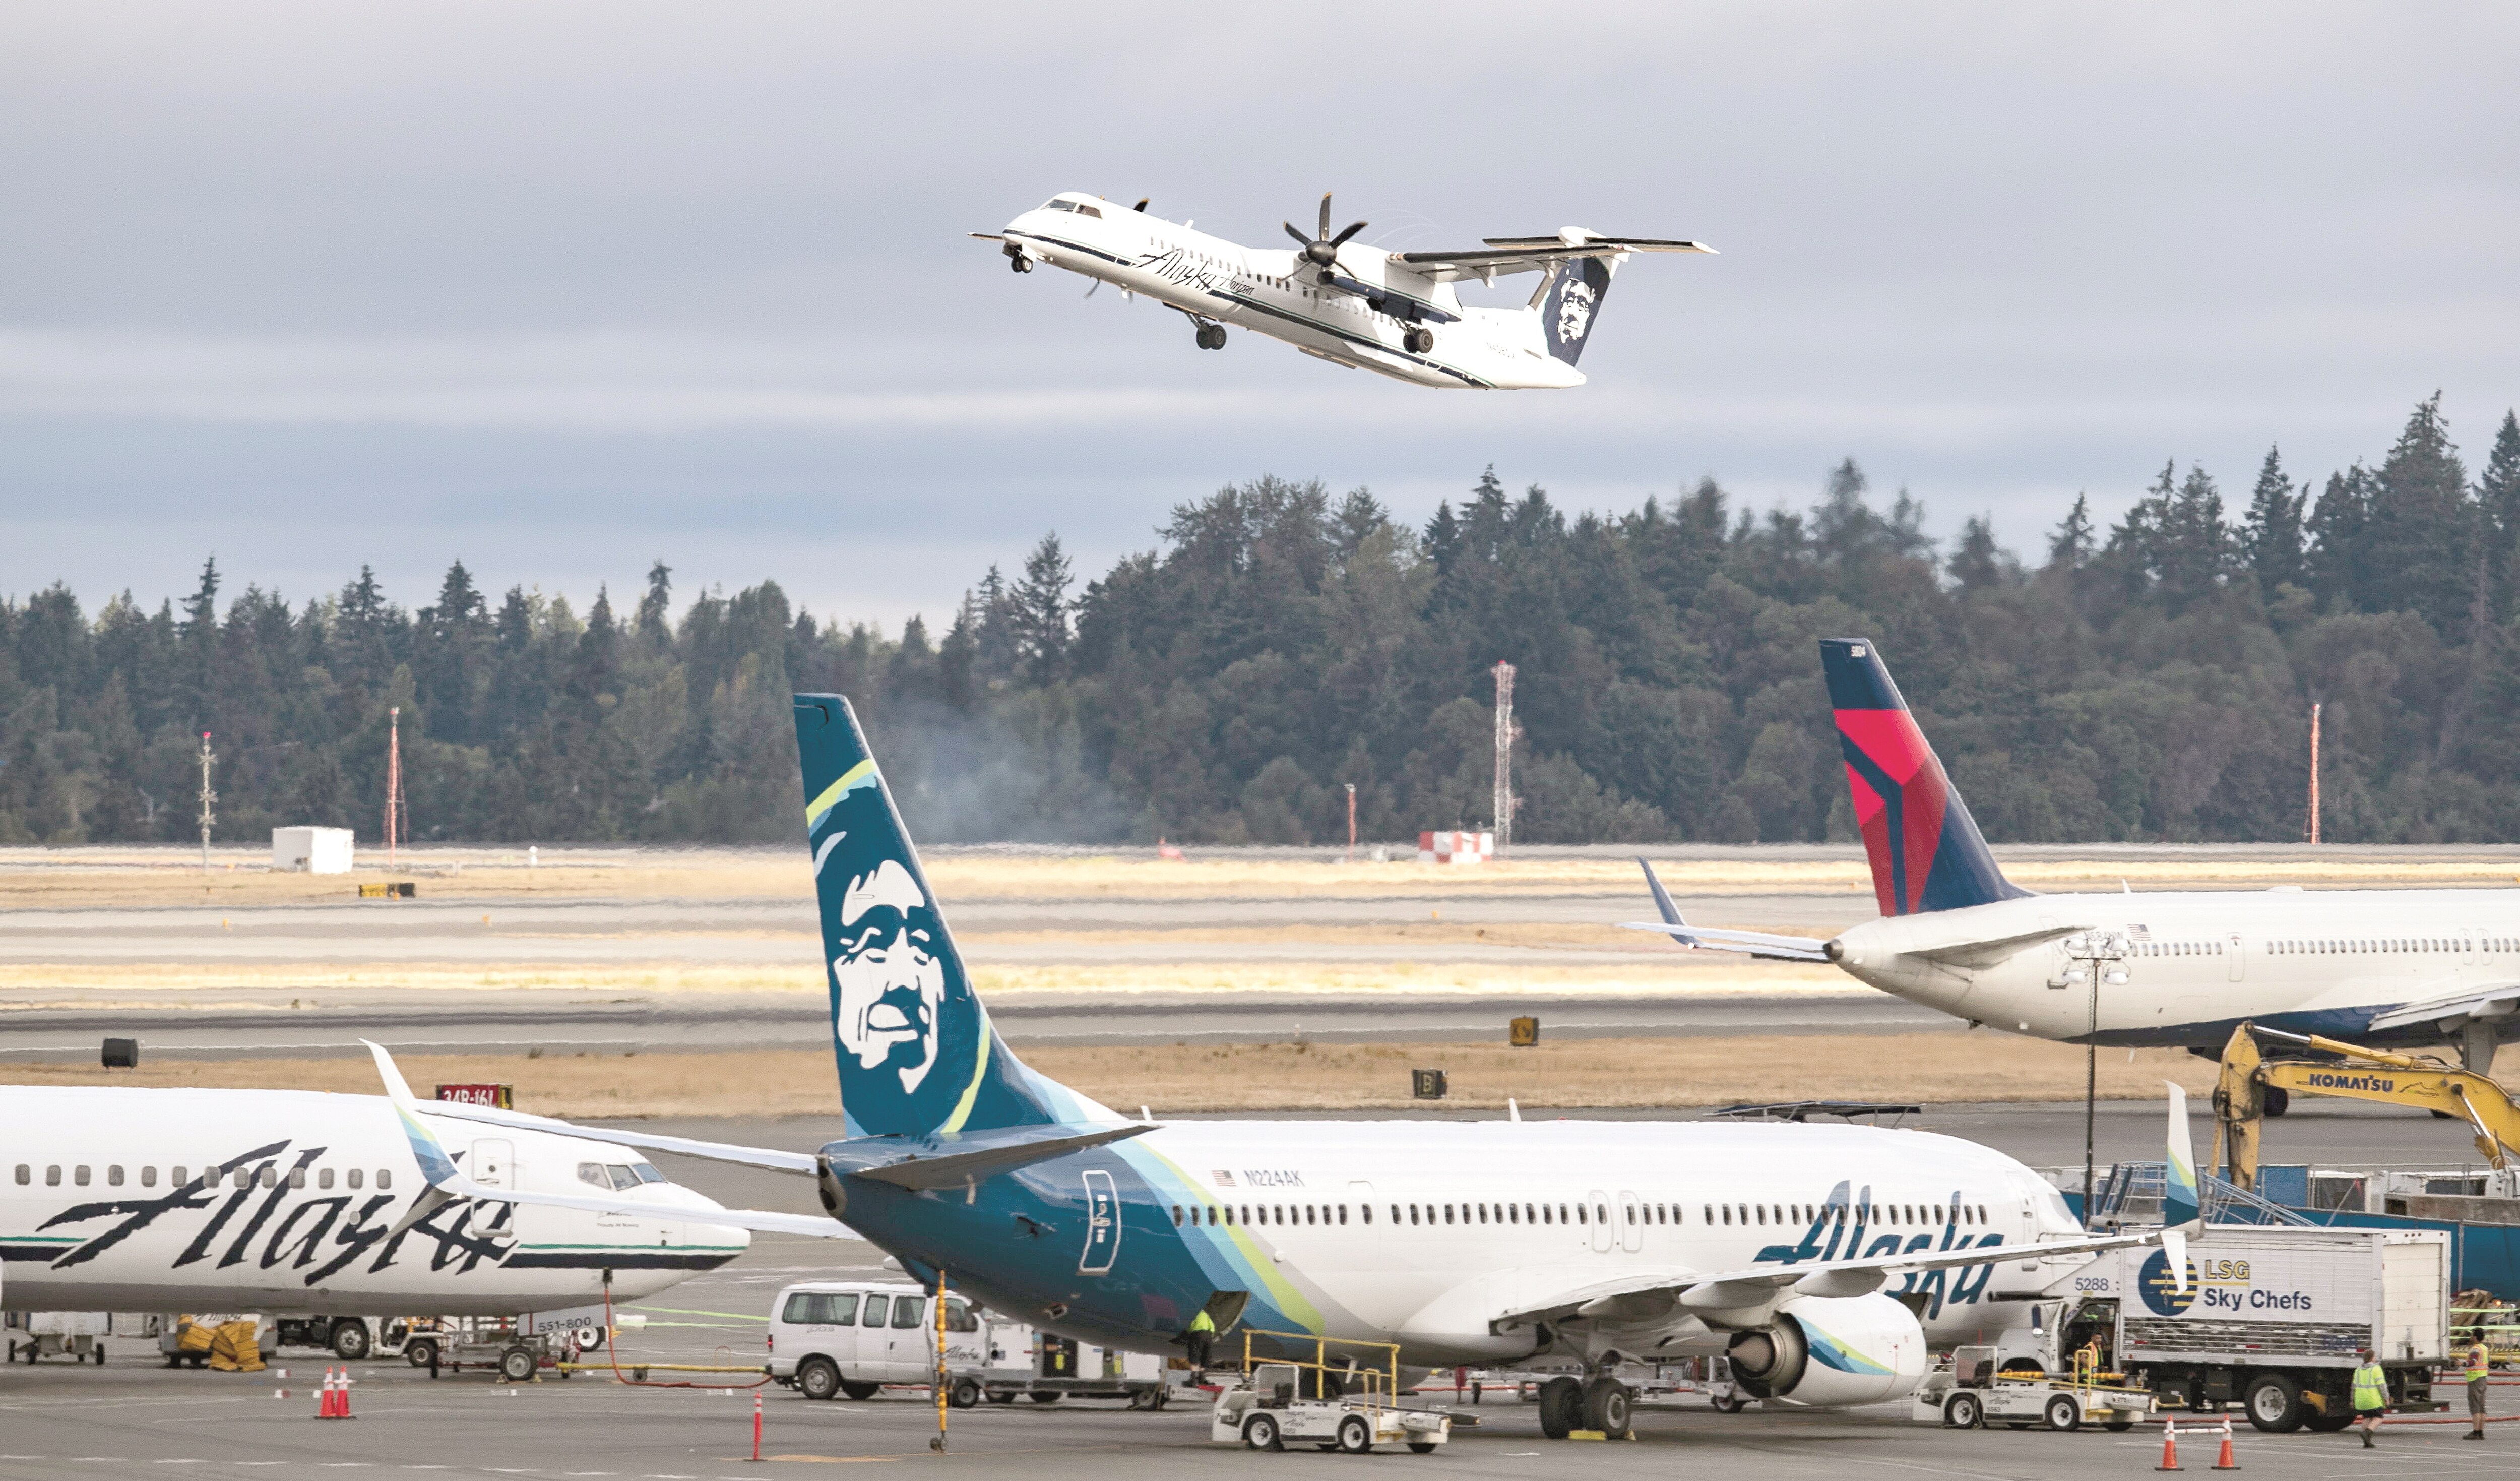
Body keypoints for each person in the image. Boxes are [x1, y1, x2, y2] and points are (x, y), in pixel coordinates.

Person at [2351, 1348, 2389, 1447]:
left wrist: (2352, 1400)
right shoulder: (2376, 1369)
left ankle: (2366, 1442)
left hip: (2361, 1400)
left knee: (2367, 1418)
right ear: (2372, 1358)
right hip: (2373, 1399)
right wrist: (2386, 1398)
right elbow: (2382, 1385)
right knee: (2379, 1417)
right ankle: (2367, 1433)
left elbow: (2353, 1386)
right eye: (2375, 1357)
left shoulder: (2358, 1370)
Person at [2466, 1336, 2492, 1440]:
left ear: (2476, 1337)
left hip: (2475, 1379)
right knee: (2482, 1406)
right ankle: (2481, 1432)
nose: (2471, 1337)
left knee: (2475, 1406)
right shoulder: (2485, 1349)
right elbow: (2488, 1362)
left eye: (2472, 1335)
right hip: (2483, 1378)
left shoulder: (2476, 1349)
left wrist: (2461, 1363)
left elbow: (2472, 1362)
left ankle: (2475, 1432)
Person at [1184, 1307, 1216, 1376]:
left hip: (1197, 1335)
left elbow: (1190, 1325)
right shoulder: (1206, 1315)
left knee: (1194, 1358)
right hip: (1208, 1336)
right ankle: (1202, 1378)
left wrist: (1187, 1333)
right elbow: (1212, 1327)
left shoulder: (1193, 1313)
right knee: (1204, 1358)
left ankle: (1193, 1380)